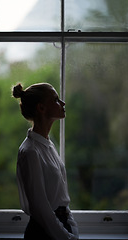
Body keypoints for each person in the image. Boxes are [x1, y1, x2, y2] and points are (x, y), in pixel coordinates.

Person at [12, 83, 79, 240]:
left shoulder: (48, 145)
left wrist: (73, 229)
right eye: (56, 100)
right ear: (41, 108)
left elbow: (62, 199)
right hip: (44, 233)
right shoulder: (30, 151)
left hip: (60, 228)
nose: (62, 103)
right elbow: (40, 208)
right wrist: (66, 237)